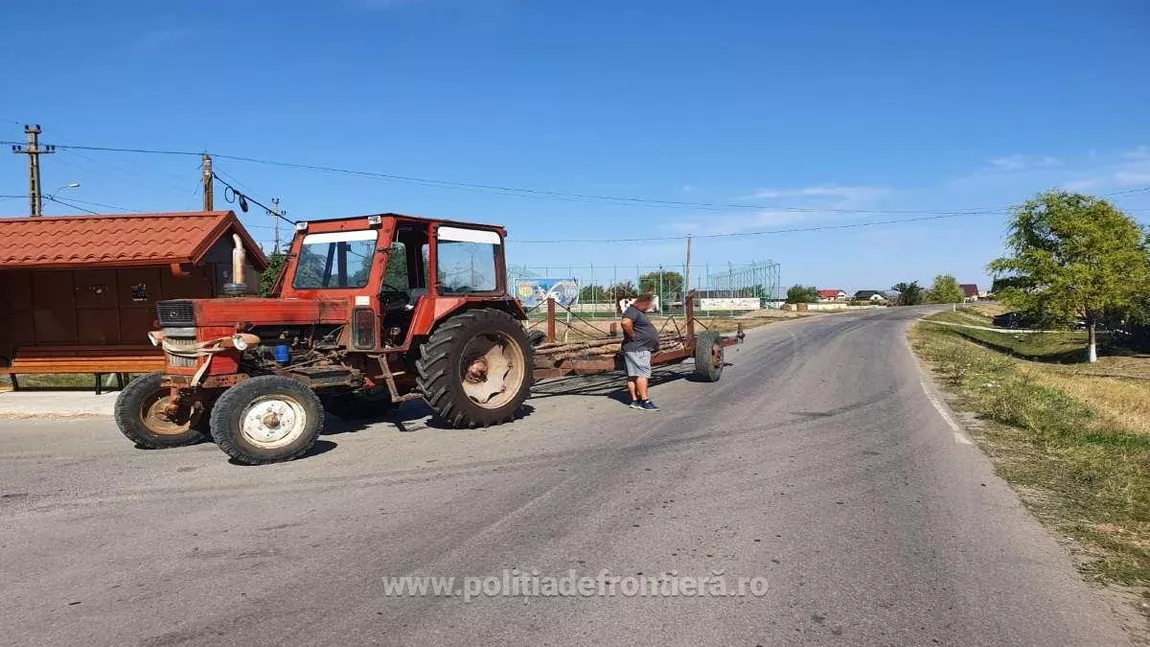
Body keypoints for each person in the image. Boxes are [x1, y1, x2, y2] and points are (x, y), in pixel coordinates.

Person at [620, 293, 660, 411]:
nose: (649, 307)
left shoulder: (637, 312)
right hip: (638, 348)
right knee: (642, 374)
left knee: (632, 375)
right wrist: (632, 335)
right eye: (649, 304)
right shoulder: (632, 311)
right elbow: (625, 323)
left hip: (634, 348)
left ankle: (635, 401)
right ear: (643, 302)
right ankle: (645, 401)